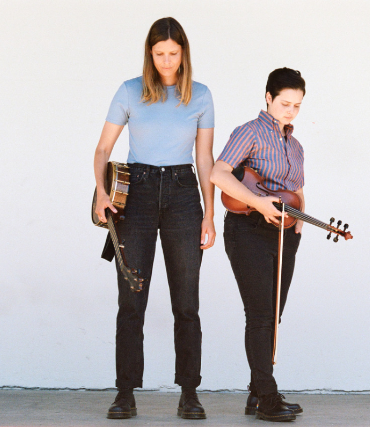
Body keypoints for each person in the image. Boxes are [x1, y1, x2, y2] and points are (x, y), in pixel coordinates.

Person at [93, 17, 215, 420]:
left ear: (184, 54)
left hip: (183, 193)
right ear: (150, 53)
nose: (166, 61)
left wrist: (209, 214)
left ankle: (190, 393)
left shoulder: (200, 95)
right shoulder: (130, 91)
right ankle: (125, 392)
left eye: (173, 54)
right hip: (138, 192)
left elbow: (204, 159)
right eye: (159, 53)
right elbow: (102, 149)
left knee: (187, 301)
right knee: (131, 299)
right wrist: (101, 191)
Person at [210, 68, 306, 422]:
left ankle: (257, 392)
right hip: (247, 229)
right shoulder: (249, 132)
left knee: (273, 315)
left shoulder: (296, 146)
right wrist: (259, 202)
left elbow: (295, 190)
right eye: (285, 103)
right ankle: (267, 396)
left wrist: (299, 224)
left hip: (284, 234)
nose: (290, 111)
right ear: (268, 97)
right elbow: (218, 173)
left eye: (297, 106)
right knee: (261, 315)